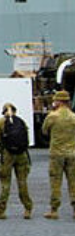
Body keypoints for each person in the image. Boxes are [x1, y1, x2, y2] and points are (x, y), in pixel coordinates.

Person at [0, 102, 32, 219]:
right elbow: (27, 140)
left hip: (8, 155)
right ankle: (27, 209)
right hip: (22, 155)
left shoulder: (0, 122)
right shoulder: (21, 121)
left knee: (5, 184)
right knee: (22, 183)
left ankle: (1, 210)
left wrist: (2, 153)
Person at [41, 90, 75, 220]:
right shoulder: (73, 117)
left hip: (56, 154)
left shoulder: (52, 116)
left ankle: (54, 210)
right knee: (73, 182)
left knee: (55, 181)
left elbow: (44, 131)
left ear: (58, 101)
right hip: (72, 153)